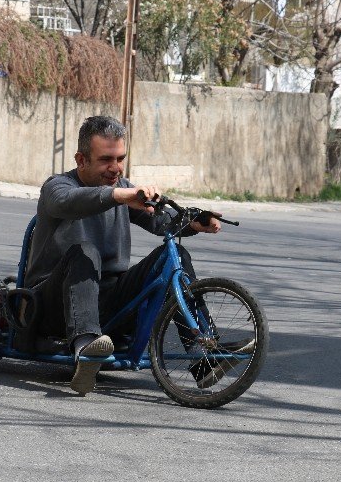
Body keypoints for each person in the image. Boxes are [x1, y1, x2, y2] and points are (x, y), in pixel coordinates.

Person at [23, 115, 223, 394]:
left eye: (120, 159)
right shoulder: (57, 187)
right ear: (81, 160)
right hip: (54, 304)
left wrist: (193, 224)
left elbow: (160, 221)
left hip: (108, 301)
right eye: (106, 159)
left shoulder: (122, 189)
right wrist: (121, 195)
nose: (115, 168)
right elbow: (67, 203)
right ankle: (85, 350)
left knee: (173, 253)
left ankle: (204, 356)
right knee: (84, 250)